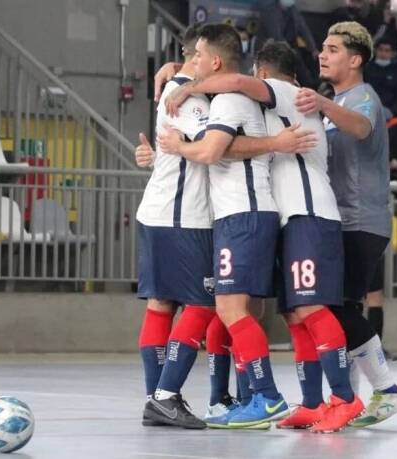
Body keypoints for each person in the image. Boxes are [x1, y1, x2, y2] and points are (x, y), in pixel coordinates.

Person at [162, 40, 365, 433]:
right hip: (289, 220)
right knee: (294, 314)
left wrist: (186, 87)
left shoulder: (288, 94)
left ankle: (344, 397)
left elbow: (236, 82)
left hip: (310, 214)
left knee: (310, 309)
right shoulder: (277, 108)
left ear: (264, 74)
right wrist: (175, 69)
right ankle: (311, 403)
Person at [156, 24, 294, 429]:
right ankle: (250, 396)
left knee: (229, 308)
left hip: (243, 215)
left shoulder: (231, 100)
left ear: (214, 62)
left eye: (195, 56)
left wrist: (178, 146)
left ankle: (267, 396)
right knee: (239, 309)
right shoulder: (232, 97)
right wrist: (172, 73)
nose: (189, 63)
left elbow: (212, 150)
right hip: (245, 214)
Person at [293, 21, 397, 427]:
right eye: (321, 47)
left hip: (361, 219)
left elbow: (360, 128)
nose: (322, 54)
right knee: (343, 307)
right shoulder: (338, 101)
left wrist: (323, 104)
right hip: (339, 220)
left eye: (332, 49)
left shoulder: (363, 98)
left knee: (337, 307)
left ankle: (388, 390)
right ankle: (351, 398)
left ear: (356, 59)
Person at [136, 24, 217, 430]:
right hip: (183, 216)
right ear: (198, 53)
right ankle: (166, 396)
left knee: (161, 304)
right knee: (203, 304)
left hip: (160, 210)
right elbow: (211, 147)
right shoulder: (190, 96)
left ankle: (156, 400)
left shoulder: (178, 87)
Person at [256, 0, 319, 87]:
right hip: (270, 50)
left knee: (305, 72)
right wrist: (290, 52)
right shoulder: (269, 10)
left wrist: (313, 48)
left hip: (290, 48)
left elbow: (303, 28)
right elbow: (276, 36)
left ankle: (311, 88)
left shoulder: (292, 9)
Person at [364, 38, 397, 118]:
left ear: (392, 53)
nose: (383, 53)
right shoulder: (366, 69)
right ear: (375, 51)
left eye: (387, 50)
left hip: (389, 111)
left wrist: (393, 110)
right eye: (381, 50)